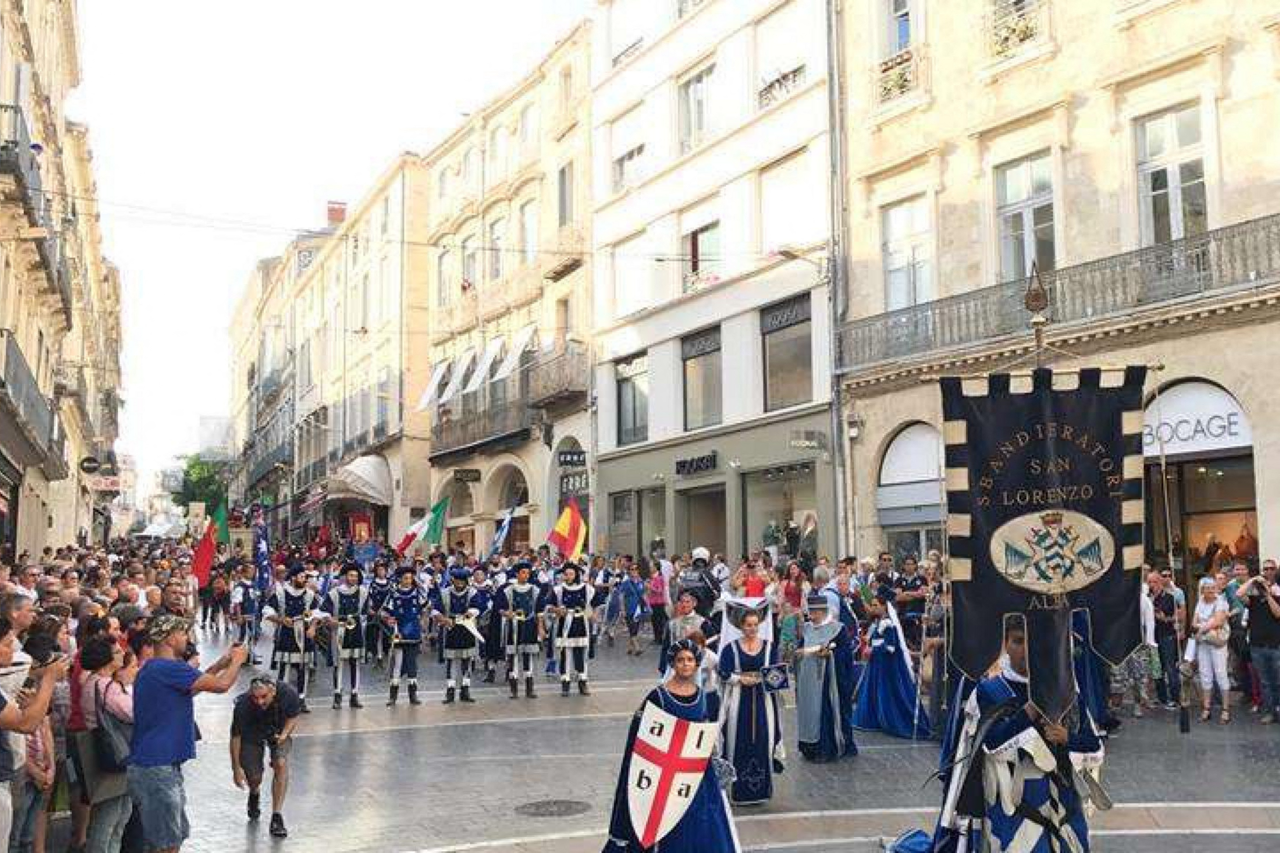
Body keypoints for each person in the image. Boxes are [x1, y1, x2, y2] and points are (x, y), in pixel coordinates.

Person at [935, 619, 1104, 852]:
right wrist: (1028, 712)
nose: (1026, 649)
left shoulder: (1066, 690)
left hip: (1064, 802)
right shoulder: (990, 690)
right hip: (1013, 805)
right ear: (1005, 644)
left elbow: (1093, 743)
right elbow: (989, 742)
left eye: (1033, 641)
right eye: (1018, 641)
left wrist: (1067, 738)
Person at [601, 640, 739, 853]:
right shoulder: (658, 697)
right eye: (681, 660)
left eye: (690, 660)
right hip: (663, 777)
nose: (686, 664)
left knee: (700, 821)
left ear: (696, 664)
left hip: (694, 773)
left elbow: (706, 728)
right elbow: (641, 737)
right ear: (673, 664)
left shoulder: (703, 696)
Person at [128, 616, 248, 853]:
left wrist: (221, 664)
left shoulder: (156, 669)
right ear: (170, 638)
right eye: (183, 633)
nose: (187, 638)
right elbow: (222, 686)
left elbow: (192, 687)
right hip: (158, 766)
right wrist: (238, 661)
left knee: (171, 839)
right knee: (166, 845)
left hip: (159, 765)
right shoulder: (169, 668)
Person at [717, 609, 783, 805]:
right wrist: (740, 679)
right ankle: (738, 791)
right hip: (738, 701)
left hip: (764, 703)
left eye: (755, 625)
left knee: (764, 739)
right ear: (741, 626)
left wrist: (764, 679)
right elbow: (723, 672)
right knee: (738, 741)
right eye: (748, 625)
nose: (752, 629)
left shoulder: (770, 648)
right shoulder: (731, 648)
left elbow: (778, 674)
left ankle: (762, 790)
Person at [81, 636, 136, 853]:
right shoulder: (106, 685)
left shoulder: (92, 681)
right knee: (111, 817)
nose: (122, 653)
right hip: (115, 751)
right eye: (116, 652)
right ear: (105, 659)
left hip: (109, 751)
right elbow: (132, 712)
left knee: (120, 813)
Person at [230, 676, 301, 839]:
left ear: (273, 692)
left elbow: (293, 716)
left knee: (281, 763)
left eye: (264, 697)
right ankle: (254, 792)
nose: (259, 701)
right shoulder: (243, 706)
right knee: (254, 777)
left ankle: (277, 816)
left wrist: (284, 735)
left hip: (278, 729)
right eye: (255, 697)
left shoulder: (289, 694)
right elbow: (235, 737)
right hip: (252, 732)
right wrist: (236, 769)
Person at [853, 594, 930, 739]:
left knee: (889, 693)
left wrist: (873, 649)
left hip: (886, 665)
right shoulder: (880, 622)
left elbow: (891, 646)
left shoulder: (888, 624)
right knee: (875, 691)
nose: (873, 608)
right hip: (878, 663)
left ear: (884, 606)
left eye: (876, 605)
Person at [794, 594, 857, 762]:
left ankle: (825, 748)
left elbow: (845, 655)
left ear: (823, 611)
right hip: (808, 679)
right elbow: (801, 648)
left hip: (827, 681)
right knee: (808, 712)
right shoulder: (807, 628)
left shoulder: (837, 629)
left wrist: (830, 654)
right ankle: (809, 747)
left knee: (823, 712)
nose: (812, 617)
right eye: (810, 613)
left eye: (815, 613)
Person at [261, 565, 320, 713]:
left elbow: (317, 613)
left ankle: (301, 699)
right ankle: (281, 700)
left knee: (303, 668)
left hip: (304, 637)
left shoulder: (310, 595)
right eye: (301, 577)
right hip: (286, 635)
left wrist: (313, 627)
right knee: (284, 668)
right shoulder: (281, 593)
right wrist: (281, 620)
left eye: (305, 577)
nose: (304, 579)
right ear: (293, 578)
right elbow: (267, 610)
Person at [431, 567, 483, 704]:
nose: (460, 584)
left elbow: (474, 610)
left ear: (466, 581)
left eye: (462, 582)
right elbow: (435, 610)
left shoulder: (473, 593)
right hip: (450, 631)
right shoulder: (444, 593)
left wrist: (456, 620)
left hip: (467, 629)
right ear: (453, 580)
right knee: (451, 661)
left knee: (467, 660)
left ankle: (465, 689)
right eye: (457, 581)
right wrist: (442, 618)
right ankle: (450, 690)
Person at [380, 566, 431, 706]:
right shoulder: (393, 594)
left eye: (410, 578)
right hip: (399, 633)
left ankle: (413, 695)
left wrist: (423, 622)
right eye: (405, 578)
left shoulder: (417, 593)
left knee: (412, 665)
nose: (408, 581)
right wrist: (388, 619)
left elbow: (427, 607)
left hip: (413, 633)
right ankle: (393, 696)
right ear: (400, 579)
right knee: (397, 664)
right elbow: (383, 612)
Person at [320, 562, 367, 709]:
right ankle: (337, 695)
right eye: (351, 575)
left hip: (356, 630)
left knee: (355, 663)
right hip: (339, 630)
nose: (353, 578)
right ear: (345, 576)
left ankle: (354, 694)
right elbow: (323, 611)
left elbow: (365, 611)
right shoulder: (334, 593)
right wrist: (330, 620)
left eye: (355, 575)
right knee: (338, 663)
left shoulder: (363, 592)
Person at [496, 562, 545, 699]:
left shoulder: (535, 590)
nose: (526, 575)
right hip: (513, 626)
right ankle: (514, 688)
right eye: (523, 573)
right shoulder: (508, 590)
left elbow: (539, 611)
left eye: (528, 573)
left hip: (529, 625)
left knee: (528, 656)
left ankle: (530, 688)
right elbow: (499, 607)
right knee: (513, 657)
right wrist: (507, 613)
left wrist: (541, 628)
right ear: (517, 574)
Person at [1240, 559, 1280, 723]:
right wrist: (1253, 579)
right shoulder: (1254, 596)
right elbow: (1239, 594)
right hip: (1257, 645)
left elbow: (1277, 613)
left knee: (1278, 681)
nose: (1268, 571)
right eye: (1265, 569)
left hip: (1275, 645)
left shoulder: (1277, 593)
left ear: (1276, 571)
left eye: (1271, 569)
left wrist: (1268, 594)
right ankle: (1270, 712)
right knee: (1264, 681)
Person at [546, 563, 593, 696]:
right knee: (565, 655)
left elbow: (597, 603)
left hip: (580, 624)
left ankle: (582, 681)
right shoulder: (558, 589)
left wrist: (593, 614)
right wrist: (556, 610)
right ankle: (565, 683)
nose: (568, 577)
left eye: (571, 574)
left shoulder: (587, 589)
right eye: (566, 574)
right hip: (564, 624)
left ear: (576, 574)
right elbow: (548, 606)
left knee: (581, 654)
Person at [1189, 576, 1231, 723]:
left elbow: (1219, 621)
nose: (1211, 591)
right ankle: (1206, 708)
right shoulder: (1200, 601)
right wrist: (1206, 626)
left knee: (1221, 674)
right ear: (1202, 590)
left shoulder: (1221, 602)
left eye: (1213, 588)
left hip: (1217, 642)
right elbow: (1194, 622)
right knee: (1205, 674)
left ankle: (1225, 710)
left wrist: (1202, 628)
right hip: (1203, 643)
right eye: (1208, 589)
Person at [363, 561, 393, 668]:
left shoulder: (390, 584)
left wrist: (386, 611)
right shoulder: (372, 584)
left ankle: (388, 657)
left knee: (386, 635)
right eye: (379, 570)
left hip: (386, 612)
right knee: (375, 635)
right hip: (374, 612)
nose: (381, 572)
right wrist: (370, 609)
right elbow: (368, 597)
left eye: (383, 570)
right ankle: (378, 656)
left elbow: (392, 598)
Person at [616, 564, 649, 657]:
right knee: (632, 628)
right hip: (629, 608)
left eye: (636, 569)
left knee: (635, 628)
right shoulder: (626, 583)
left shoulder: (641, 582)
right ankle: (637, 648)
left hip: (638, 609)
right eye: (632, 569)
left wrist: (647, 605)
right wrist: (622, 609)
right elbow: (621, 596)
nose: (634, 571)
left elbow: (644, 595)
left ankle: (630, 648)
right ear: (629, 571)